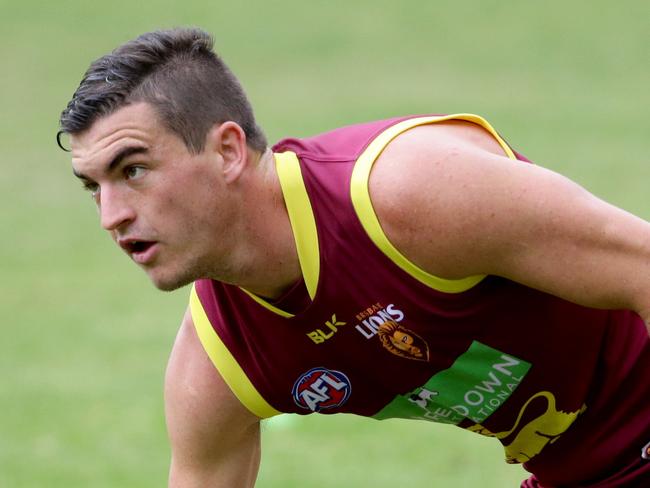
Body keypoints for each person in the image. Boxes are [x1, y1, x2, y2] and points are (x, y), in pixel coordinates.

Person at [58, 28, 650, 487]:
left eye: (133, 170)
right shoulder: (220, 362)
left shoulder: (404, 193)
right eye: (94, 187)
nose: (111, 215)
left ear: (229, 151)